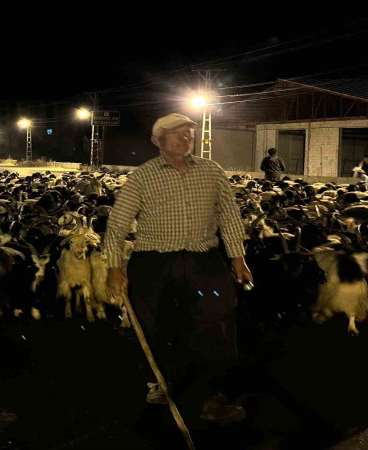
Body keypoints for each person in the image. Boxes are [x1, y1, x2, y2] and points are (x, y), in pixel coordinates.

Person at [105, 113, 253, 425]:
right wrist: (114, 267)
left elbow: (228, 215)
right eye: (176, 133)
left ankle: (214, 395)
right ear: (157, 141)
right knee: (160, 325)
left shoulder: (212, 171)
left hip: (204, 260)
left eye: (188, 133)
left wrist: (238, 258)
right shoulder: (142, 177)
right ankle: (163, 381)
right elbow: (117, 225)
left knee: (216, 324)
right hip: (155, 263)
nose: (185, 138)